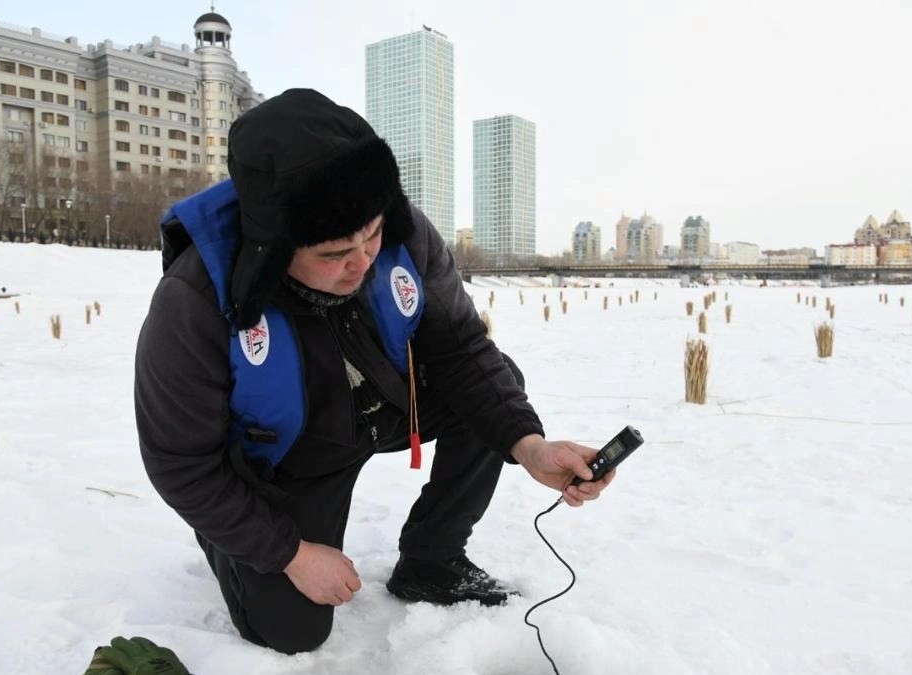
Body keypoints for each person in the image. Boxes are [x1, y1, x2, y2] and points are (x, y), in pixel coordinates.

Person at [133, 88, 615, 655]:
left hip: (384, 408)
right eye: (336, 254)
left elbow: (462, 351)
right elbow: (180, 463)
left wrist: (529, 446)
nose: (362, 263)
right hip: (289, 458)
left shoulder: (404, 231)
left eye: (372, 237)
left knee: (497, 381)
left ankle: (432, 560)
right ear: (273, 246)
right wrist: (289, 553)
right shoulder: (193, 299)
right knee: (292, 631)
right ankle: (233, 541)